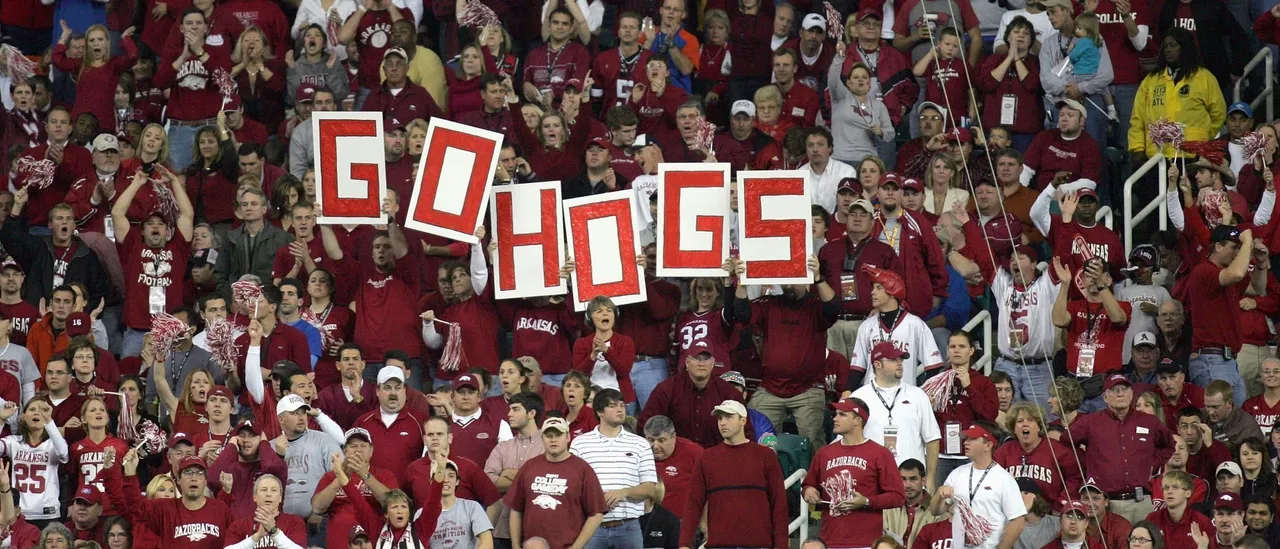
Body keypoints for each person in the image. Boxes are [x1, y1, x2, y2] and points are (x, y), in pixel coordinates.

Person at [678, 400, 786, 549]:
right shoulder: (706, 458)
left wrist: (781, 546)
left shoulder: (766, 456)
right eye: (720, 418)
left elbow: (779, 504)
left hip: (758, 544)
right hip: (720, 544)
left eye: (729, 417)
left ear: (743, 420)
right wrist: (684, 544)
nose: (722, 423)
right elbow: (693, 503)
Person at [1069, 374, 1176, 524]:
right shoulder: (1090, 422)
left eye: (1125, 389)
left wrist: (1151, 464)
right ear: (1105, 397)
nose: (1120, 393)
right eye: (1115, 390)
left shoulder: (1149, 421)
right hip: (1105, 504)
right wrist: (1086, 461)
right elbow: (1065, 441)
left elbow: (1169, 445)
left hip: (1140, 502)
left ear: (1132, 394)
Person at [802, 397, 906, 548]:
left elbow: (898, 497)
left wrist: (867, 501)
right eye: (836, 414)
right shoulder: (824, 453)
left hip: (866, 542)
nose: (835, 418)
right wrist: (809, 490)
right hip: (829, 540)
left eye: (842, 414)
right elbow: (809, 484)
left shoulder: (880, 453)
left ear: (858, 420)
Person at [569, 388, 656, 549]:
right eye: (613, 406)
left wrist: (623, 492)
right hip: (591, 527)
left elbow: (651, 488)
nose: (620, 409)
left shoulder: (640, 444)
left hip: (629, 527)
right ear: (600, 412)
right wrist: (595, 499)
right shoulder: (580, 443)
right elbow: (572, 486)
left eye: (622, 405)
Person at [1188, 226, 1266, 406]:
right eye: (1234, 247)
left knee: (1233, 420)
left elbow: (1257, 289)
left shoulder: (1225, 276)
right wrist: (1247, 242)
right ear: (1218, 247)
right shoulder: (1204, 271)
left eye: (1239, 248)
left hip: (1227, 360)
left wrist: (1261, 264)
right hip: (1210, 358)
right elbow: (1238, 273)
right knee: (1219, 420)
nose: (1237, 252)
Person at [851, 341, 941, 489]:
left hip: (910, 481)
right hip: (871, 479)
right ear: (877, 364)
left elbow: (932, 439)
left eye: (901, 359)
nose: (900, 363)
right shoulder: (859, 397)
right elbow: (846, 440)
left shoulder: (918, 395)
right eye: (893, 360)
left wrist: (930, 479)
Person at [505, 417, 606, 549]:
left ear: (568, 437)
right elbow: (516, 509)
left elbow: (596, 514)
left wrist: (576, 547)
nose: (553, 439)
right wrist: (515, 545)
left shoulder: (583, 469)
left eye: (558, 435)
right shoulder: (529, 466)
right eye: (548, 435)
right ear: (542, 439)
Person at [930, 425, 1028, 549]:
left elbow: (1018, 521)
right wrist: (939, 493)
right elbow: (935, 511)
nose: (966, 442)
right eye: (966, 439)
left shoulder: (1004, 479)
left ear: (988, 445)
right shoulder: (957, 474)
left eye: (972, 439)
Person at [847, 266, 944, 387]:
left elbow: (933, 366)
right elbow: (858, 367)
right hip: (872, 398)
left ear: (893, 292)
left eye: (879, 288)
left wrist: (929, 392)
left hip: (905, 397)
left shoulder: (915, 324)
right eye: (873, 288)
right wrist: (847, 391)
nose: (872, 292)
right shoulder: (866, 326)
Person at [1145, 470, 1216, 549]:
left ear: (1188, 493)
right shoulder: (1152, 519)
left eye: (1175, 487)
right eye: (1166, 488)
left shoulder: (1202, 522)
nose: (1169, 492)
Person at [1243, 358, 1280, 434]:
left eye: (1276, 371)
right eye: (1266, 371)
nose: (1271, 375)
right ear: (1261, 376)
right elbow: (1244, 434)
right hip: (1255, 445)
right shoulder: (1249, 405)